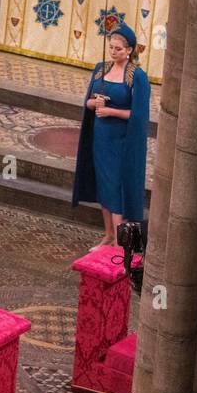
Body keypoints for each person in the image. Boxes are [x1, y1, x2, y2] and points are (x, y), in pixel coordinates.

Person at [72, 21, 150, 248]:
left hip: (121, 140)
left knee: (116, 187)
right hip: (100, 137)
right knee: (104, 185)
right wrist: (94, 103)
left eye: (118, 49)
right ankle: (108, 235)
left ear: (129, 50)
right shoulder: (100, 69)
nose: (114, 52)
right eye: (111, 48)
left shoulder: (137, 76)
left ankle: (120, 242)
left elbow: (138, 115)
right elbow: (88, 103)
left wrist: (111, 111)